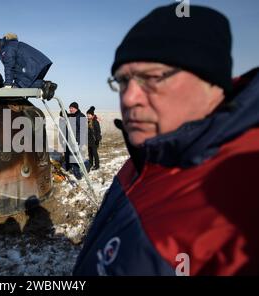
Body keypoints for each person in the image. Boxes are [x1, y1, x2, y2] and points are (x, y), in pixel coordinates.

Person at [74, 3, 259, 275]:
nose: (128, 98)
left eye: (152, 77)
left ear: (211, 79)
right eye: (123, 81)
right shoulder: (144, 159)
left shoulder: (243, 200)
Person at [0, 33, 57, 100]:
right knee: (20, 84)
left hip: (31, 67)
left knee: (20, 85)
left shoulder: (7, 48)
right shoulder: (14, 44)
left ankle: (44, 84)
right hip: (39, 64)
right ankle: (46, 86)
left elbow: (9, 66)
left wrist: (8, 84)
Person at [64, 102, 87, 180]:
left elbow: (83, 131)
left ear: (76, 108)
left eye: (72, 108)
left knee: (73, 157)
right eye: (70, 108)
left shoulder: (81, 116)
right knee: (67, 155)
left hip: (76, 141)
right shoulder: (71, 116)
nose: (70, 109)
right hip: (68, 140)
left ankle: (78, 175)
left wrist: (79, 142)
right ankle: (69, 168)